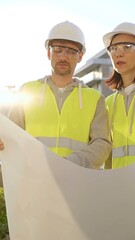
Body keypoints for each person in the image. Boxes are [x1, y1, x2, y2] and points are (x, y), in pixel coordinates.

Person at [0, 20, 111, 170]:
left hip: (76, 180)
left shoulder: (95, 98)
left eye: (71, 51)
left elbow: (102, 143)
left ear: (80, 57)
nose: (63, 57)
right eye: (58, 49)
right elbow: (11, 137)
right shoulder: (27, 91)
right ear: (48, 53)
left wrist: (69, 163)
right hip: (33, 178)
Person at [103, 22, 135, 169]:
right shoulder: (107, 103)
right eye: (113, 49)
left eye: (127, 47)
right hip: (119, 188)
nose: (118, 53)